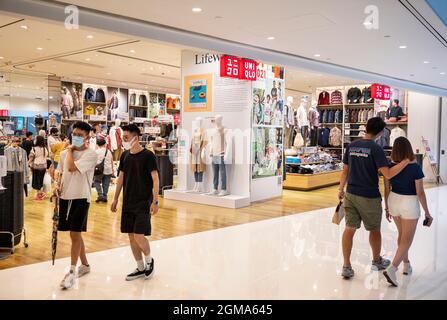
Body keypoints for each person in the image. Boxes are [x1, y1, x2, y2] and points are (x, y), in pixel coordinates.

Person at [338, 117, 411, 279]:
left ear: (366, 128)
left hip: (350, 194)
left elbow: (345, 171)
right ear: (379, 133)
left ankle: (346, 265)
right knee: (374, 230)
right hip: (369, 197)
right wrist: (405, 161)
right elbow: (388, 174)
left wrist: (341, 188)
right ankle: (376, 261)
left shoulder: (351, 146)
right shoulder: (376, 149)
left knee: (349, 229)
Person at [382, 137, 433, 287]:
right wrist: (428, 213)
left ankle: (407, 265)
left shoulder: (389, 166)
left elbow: (386, 188)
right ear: (409, 149)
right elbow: (420, 192)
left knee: (402, 236)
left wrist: (386, 207)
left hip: (393, 200)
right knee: (407, 240)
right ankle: (392, 268)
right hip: (409, 203)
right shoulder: (415, 167)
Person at [111, 124, 159, 281]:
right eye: (123, 138)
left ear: (136, 138)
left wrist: (155, 201)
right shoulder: (125, 156)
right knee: (131, 237)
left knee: (139, 235)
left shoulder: (148, 155)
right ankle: (139, 267)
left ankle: (149, 260)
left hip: (143, 202)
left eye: (126, 138)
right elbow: (121, 179)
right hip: (128, 202)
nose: (123, 141)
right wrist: (115, 198)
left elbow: (155, 178)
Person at [56, 121, 98, 290]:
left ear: (88, 136)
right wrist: (57, 186)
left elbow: (72, 168)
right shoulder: (64, 154)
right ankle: (85, 265)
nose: (77, 137)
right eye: (75, 134)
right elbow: (61, 173)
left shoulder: (91, 154)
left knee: (75, 233)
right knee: (75, 235)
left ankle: (72, 271)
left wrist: (70, 151)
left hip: (81, 197)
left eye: (81, 135)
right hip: (66, 197)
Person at [28, 135, 49, 200]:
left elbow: (31, 157)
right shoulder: (45, 148)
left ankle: (40, 195)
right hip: (43, 167)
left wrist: (28, 163)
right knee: (41, 180)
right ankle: (40, 193)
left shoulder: (34, 148)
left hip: (36, 167)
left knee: (36, 181)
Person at [94, 138, 114, 203]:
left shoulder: (96, 152)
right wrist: (112, 170)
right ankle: (105, 197)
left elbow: (94, 162)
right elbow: (111, 161)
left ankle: (100, 195)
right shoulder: (109, 151)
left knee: (97, 182)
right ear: (105, 144)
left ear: (97, 144)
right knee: (106, 184)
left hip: (99, 170)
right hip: (108, 170)